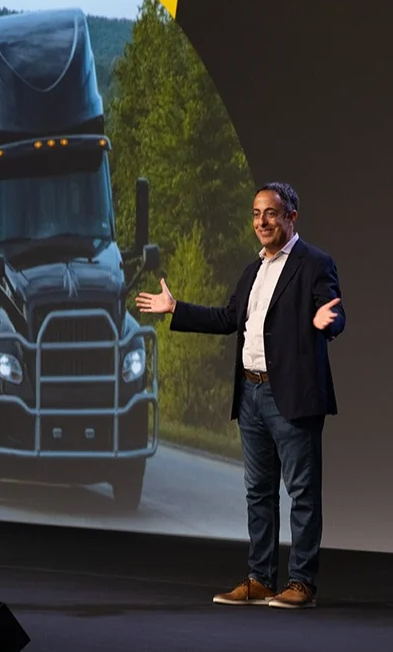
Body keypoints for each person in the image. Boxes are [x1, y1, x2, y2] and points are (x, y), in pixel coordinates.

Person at [135, 181, 344, 609]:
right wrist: (177, 309)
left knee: (302, 493)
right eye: (255, 214)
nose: (261, 222)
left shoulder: (314, 263)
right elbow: (229, 317)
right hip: (250, 394)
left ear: (291, 217)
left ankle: (301, 582)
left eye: (270, 213)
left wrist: (329, 321)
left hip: (292, 397)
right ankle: (261, 579)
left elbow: (334, 311)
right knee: (259, 492)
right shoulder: (252, 271)